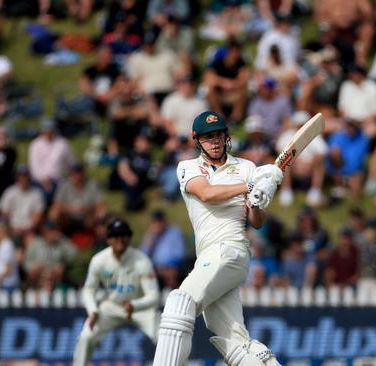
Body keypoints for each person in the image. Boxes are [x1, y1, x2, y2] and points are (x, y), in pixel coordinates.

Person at [152, 111, 283, 366]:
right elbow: (207, 194)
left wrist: (256, 203)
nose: (215, 142)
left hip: (230, 250)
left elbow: (256, 223)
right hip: (211, 257)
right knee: (235, 341)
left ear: (226, 137)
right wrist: (249, 187)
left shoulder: (246, 168)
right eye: (208, 137)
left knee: (180, 304)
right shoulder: (187, 167)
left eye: (219, 136)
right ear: (196, 140)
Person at [73, 218, 160, 366]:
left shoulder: (142, 261)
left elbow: (154, 296)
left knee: (165, 338)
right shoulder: (99, 260)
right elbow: (88, 289)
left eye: (123, 235)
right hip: (111, 306)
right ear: (108, 240)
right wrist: (93, 310)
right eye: (115, 236)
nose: (119, 239)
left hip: (140, 309)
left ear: (130, 237)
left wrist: (135, 305)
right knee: (86, 337)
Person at [140, 209, 187, 290]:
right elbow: (142, 256)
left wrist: (170, 266)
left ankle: (173, 293)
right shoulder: (149, 235)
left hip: (173, 267)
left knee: (172, 273)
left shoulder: (174, 232)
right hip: (156, 269)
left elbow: (180, 253)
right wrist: (149, 244)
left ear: (164, 221)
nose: (157, 224)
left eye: (160, 221)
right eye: (155, 222)